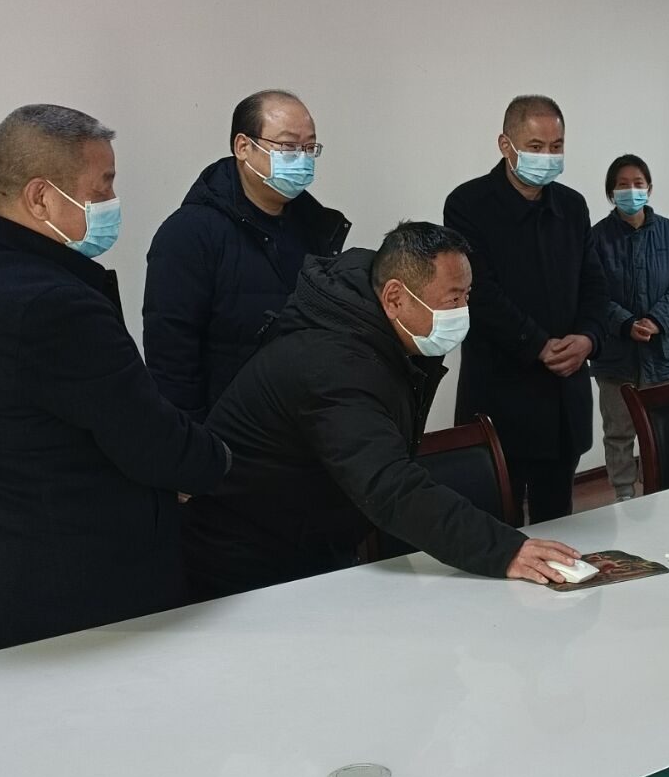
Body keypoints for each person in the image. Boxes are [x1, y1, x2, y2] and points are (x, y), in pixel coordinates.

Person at [0, 105, 232, 657]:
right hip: (88, 604)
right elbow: (155, 443)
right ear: (41, 197)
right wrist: (213, 460)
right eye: (102, 186)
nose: (111, 200)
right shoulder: (52, 303)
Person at [181, 222, 582, 598]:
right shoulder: (332, 363)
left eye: (467, 295)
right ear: (394, 298)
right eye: (453, 298)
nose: (463, 310)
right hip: (244, 559)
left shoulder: (381, 337)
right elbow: (389, 485)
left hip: (309, 537)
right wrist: (504, 549)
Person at [444, 95, 606, 525]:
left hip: (564, 395)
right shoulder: (467, 204)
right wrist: (538, 345)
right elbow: (479, 292)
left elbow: (594, 283)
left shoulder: (572, 206)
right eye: (536, 146)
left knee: (562, 524)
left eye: (557, 146)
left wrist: (588, 337)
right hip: (502, 393)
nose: (547, 156)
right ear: (506, 144)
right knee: (499, 525)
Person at [143, 91, 348, 417]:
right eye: (288, 146)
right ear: (243, 146)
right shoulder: (189, 233)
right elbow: (172, 359)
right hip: (225, 429)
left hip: (300, 422)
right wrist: (195, 440)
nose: (302, 158)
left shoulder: (316, 228)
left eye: (310, 147)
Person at [589, 155, 669, 500]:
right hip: (615, 357)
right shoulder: (596, 238)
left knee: (666, 431)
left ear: (649, 188)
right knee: (618, 433)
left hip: (663, 354)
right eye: (622, 184)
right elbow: (593, 294)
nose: (631, 190)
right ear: (611, 192)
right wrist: (626, 323)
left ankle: (666, 494)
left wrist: (656, 321)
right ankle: (624, 497)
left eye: (638, 183)